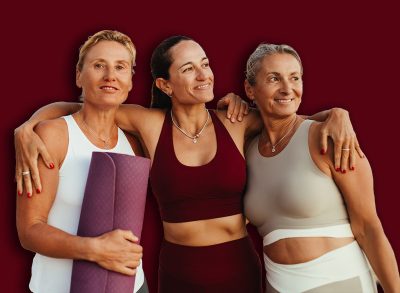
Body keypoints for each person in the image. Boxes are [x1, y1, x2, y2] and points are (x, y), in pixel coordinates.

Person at [14, 35, 361, 292]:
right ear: (165, 84)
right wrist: (29, 127)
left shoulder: (236, 121)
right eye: (188, 69)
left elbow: (293, 122)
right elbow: (89, 104)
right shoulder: (148, 123)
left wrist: (337, 114)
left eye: (205, 64)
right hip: (179, 272)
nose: (203, 75)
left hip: (238, 269)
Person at [243, 43, 400, 292]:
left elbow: (369, 228)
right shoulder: (247, 150)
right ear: (250, 89)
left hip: (340, 283)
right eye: (274, 78)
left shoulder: (331, 139)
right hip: (279, 286)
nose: (287, 88)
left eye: (295, 78)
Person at [16, 30, 148, 293]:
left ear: (131, 80)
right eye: (99, 65)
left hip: (132, 286)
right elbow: (29, 230)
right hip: (59, 288)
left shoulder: (135, 141)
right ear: (79, 75)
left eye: (120, 67)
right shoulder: (52, 136)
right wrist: (96, 249)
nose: (110, 75)